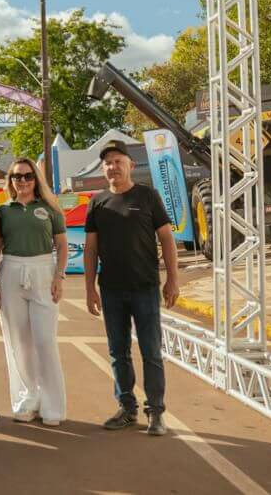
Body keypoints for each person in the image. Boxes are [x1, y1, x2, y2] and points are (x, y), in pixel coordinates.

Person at [84, 139, 179, 436]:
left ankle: (156, 412)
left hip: (145, 287)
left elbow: (167, 238)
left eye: (118, 161)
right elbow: (90, 249)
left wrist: (173, 279)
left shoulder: (148, 196)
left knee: (151, 351)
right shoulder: (97, 202)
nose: (113, 167)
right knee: (118, 352)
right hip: (111, 290)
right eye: (108, 163)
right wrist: (89, 288)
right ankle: (127, 408)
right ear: (103, 168)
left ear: (130, 165)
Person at [0, 157, 68, 426]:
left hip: (43, 271)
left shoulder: (50, 208)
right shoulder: (3, 211)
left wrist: (59, 277)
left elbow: (62, 245)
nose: (22, 181)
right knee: (19, 343)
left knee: (45, 341)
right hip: (11, 272)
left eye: (27, 176)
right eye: (17, 176)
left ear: (36, 179)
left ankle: (52, 405)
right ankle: (28, 398)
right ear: (10, 181)